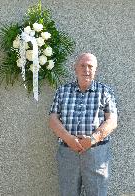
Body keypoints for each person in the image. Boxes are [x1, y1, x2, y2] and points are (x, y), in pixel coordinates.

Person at [49, 53, 118, 196]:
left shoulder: (105, 91)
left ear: (95, 70)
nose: (86, 69)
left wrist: (92, 139)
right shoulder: (62, 91)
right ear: (75, 68)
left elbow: (112, 121)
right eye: (82, 65)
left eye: (90, 66)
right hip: (68, 152)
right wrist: (69, 139)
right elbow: (53, 119)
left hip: (96, 154)